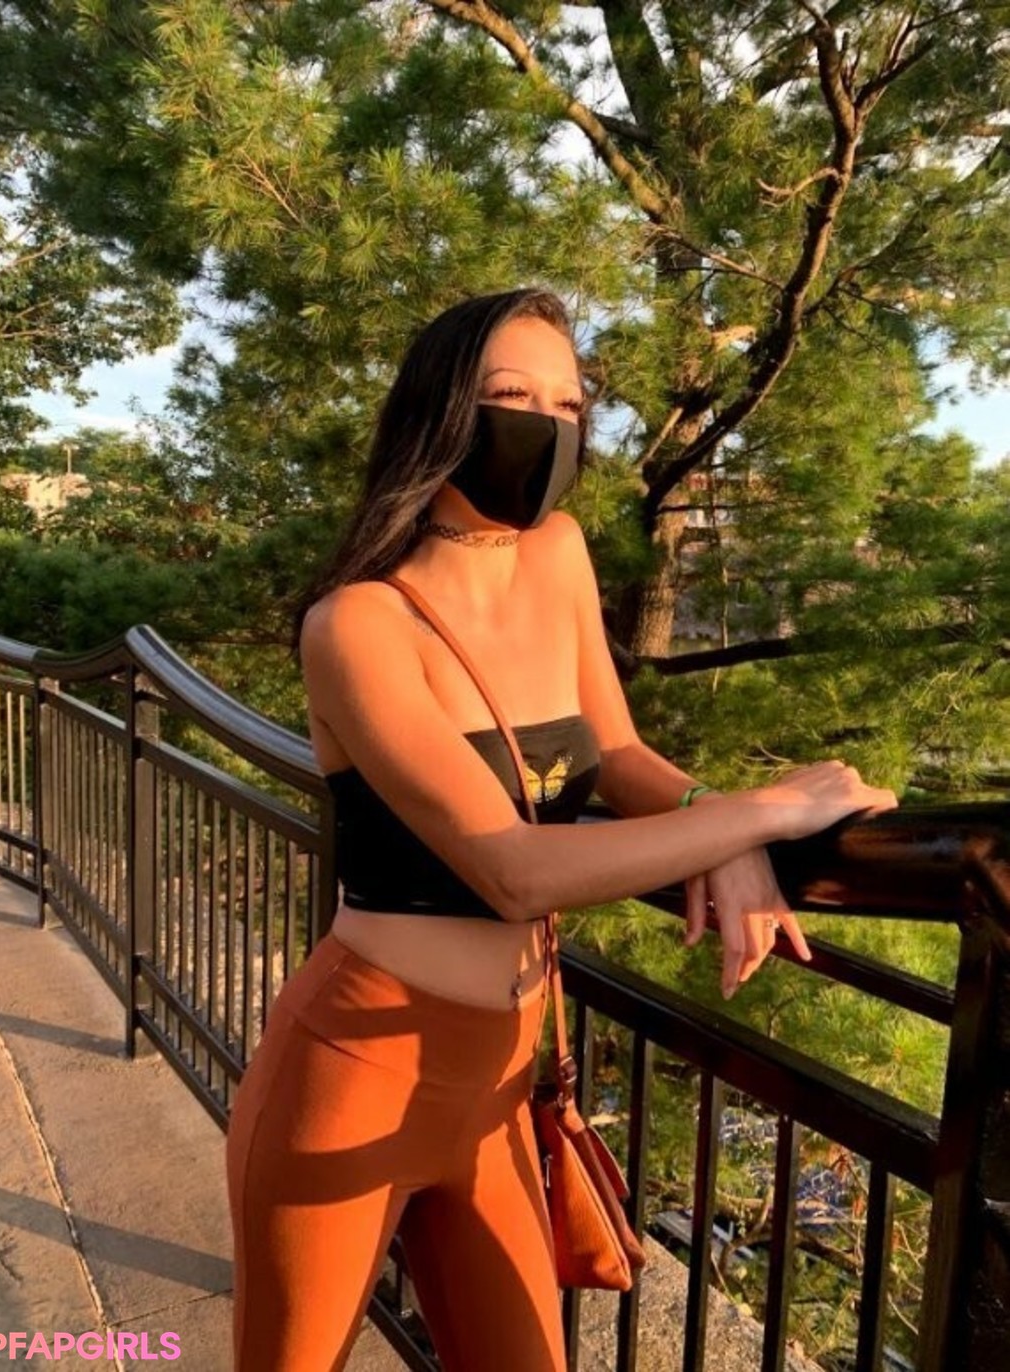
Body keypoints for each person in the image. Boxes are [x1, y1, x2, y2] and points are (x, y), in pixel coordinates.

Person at [224, 287, 898, 1371]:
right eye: (512, 397)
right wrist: (773, 808)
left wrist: (719, 829)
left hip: (504, 1075)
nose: (547, 428)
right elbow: (513, 869)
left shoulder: (559, 552)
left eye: (570, 405)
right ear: (442, 412)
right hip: (353, 1069)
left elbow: (615, 751)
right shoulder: (355, 625)